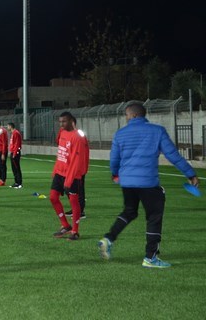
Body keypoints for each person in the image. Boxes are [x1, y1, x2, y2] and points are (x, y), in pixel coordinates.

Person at [98, 101, 200, 268]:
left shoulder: (120, 133)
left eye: (126, 115)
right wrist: (190, 174)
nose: (126, 117)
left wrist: (115, 174)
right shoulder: (157, 131)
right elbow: (173, 155)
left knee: (130, 211)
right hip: (148, 183)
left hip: (128, 182)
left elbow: (114, 159)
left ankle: (108, 238)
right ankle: (150, 257)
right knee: (154, 217)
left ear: (134, 115)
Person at [49, 112, 88, 241]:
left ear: (72, 121)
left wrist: (69, 179)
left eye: (64, 122)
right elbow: (60, 152)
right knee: (53, 197)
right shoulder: (62, 132)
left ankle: (75, 231)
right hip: (60, 173)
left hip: (72, 175)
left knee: (73, 201)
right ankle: (65, 225)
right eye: (60, 122)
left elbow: (76, 161)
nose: (61, 124)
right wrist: (55, 170)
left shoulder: (78, 137)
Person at [64, 117, 89, 218]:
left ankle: (80, 211)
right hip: (70, 167)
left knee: (78, 189)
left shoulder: (79, 134)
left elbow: (81, 153)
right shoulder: (70, 134)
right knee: (69, 188)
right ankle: (75, 208)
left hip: (79, 168)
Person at [7, 122, 23, 188]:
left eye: (8, 126)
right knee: (14, 168)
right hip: (13, 152)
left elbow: (17, 144)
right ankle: (16, 182)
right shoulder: (13, 133)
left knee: (16, 168)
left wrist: (14, 153)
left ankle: (19, 183)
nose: (7, 127)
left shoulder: (16, 133)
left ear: (11, 126)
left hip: (15, 153)